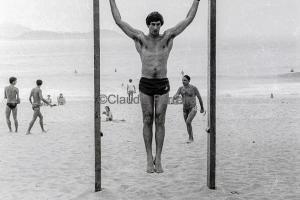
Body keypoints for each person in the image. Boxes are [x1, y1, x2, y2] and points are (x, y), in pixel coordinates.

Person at [110, 0, 201, 173]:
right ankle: (148, 158)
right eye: (152, 24)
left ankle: (158, 159)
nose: (155, 27)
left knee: (160, 119)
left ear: (161, 25)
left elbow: (188, 19)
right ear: (148, 25)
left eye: (158, 24)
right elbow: (119, 21)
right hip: (146, 83)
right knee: (147, 118)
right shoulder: (140, 38)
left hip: (162, 82)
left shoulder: (167, 37)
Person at [173, 75, 204, 143]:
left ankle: (190, 138)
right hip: (185, 109)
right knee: (187, 124)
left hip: (193, 108)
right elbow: (176, 95)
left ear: (189, 81)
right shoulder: (180, 88)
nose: (183, 82)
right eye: (182, 80)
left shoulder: (193, 88)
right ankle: (191, 138)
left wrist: (202, 108)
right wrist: (175, 96)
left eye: (185, 80)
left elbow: (199, 98)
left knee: (188, 121)